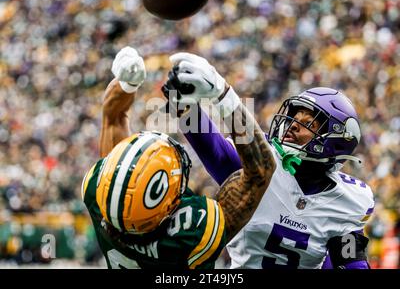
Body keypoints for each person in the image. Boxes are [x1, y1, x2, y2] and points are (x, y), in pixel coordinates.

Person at [162, 52, 375, 269]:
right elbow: (215, 151)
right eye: (293, 118)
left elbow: (350, 264)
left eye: (308, 123)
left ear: (337, 141)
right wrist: (181, 104)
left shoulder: (348, 201)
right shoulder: (263, 164)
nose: (292, 124)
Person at [81, 47, 276, 269]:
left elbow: (112, 117)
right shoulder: (191, 234)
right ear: (167, 206)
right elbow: (261, 171)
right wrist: (223, 95)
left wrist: (124, 85)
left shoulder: (100, 195)